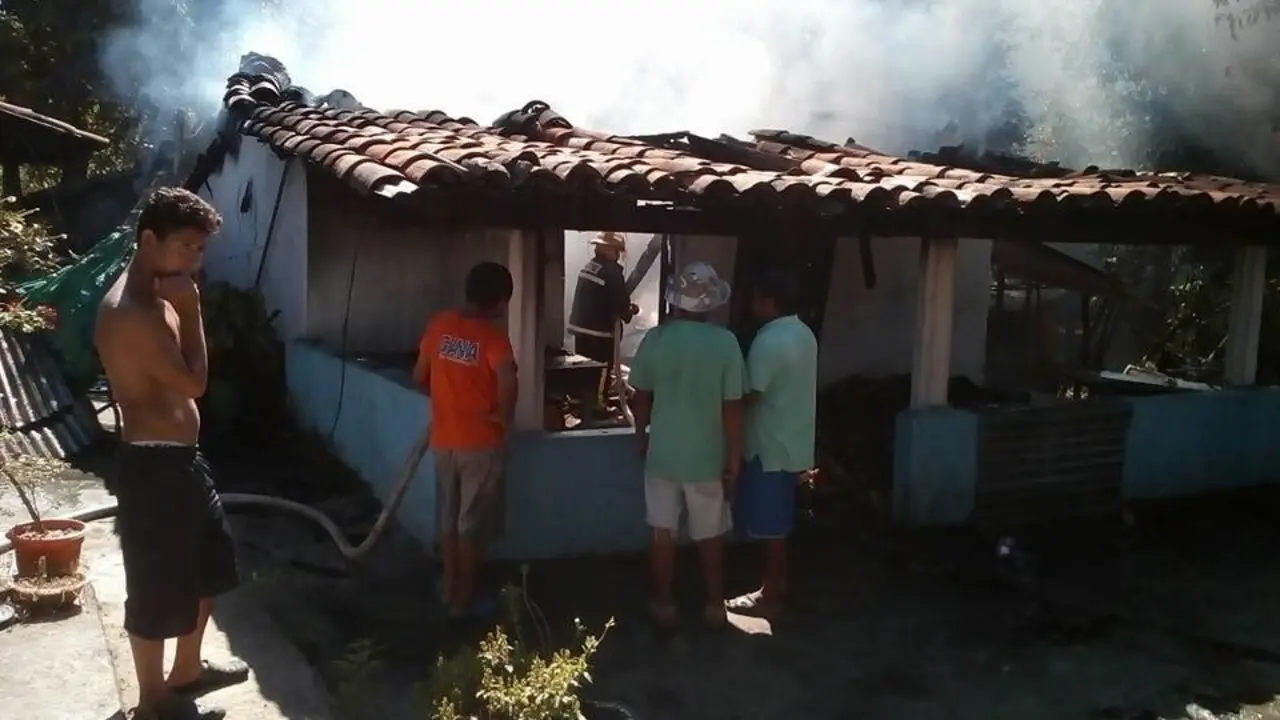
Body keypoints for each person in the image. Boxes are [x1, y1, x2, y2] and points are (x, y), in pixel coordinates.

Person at [94, 187, 248, 720]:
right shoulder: (131, 310)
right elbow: (194, 381)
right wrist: (193, 307)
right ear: (149, 240)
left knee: (209, 569)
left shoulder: (159, 297)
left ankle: (187, 669)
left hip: (184, 460)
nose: (194, 260)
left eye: (199, 250)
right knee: (157, 585)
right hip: (153, 466)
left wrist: (181, 302)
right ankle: (152, 699)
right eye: (186, 247)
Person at [629, 261, 744, 630]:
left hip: (662, 454)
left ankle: (663, 602)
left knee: (662, 531)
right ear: (710, 303)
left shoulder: (656, 340)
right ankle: (714, 604)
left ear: (676, 302)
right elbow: (731, 407)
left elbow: (640, 398)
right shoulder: (725, 343)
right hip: (706, 457)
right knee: (710, 532)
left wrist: (640, 437)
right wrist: (733, 454)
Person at [412, 261, 517, 618]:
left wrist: (447, 398)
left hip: (444, 440)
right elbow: (507, 379)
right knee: (470, 524)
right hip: (481, 443)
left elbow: (418, 375)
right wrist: (502, 416)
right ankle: (463, 601)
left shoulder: (439, 326)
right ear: (502, 301)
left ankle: (447, 586)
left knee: (450, 517)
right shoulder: (493, 339)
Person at [726, 269, 818, 620]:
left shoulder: (769, 340)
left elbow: (750, 393)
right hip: (791, 438)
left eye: (755, 298)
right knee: (776, 520)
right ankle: (776, 585)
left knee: (772, 526)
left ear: (768, 300)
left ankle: (771, 593)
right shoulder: (802, 333)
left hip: (769, 443)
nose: (751, 305)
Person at [567, 231, 639, 411]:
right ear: (611, 250)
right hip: (600, 332)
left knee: (582, 366)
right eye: (617, 251)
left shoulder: (590, 266)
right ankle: (599, 406)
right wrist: (631, 310)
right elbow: (621, 306)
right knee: (602, 369)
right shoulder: (612, 272)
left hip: (581, 327)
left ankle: (577, 401)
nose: (619, 255)